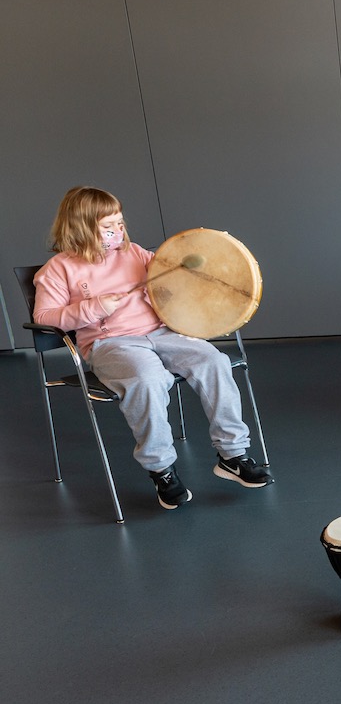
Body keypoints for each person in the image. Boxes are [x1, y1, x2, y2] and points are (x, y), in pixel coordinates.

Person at [33, 186, 273, 510]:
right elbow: (45, 317)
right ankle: (161, 469)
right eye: (108, 227)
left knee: (212, 360)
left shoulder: (135, 254)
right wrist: (94, 307)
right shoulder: (58, 270)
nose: (118, 231)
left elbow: (168, 286)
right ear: (80, 227)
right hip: (110, 344)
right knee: (148, 379)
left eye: (120, 223)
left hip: (161, 334)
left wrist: (191, 278)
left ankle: (232, 454)